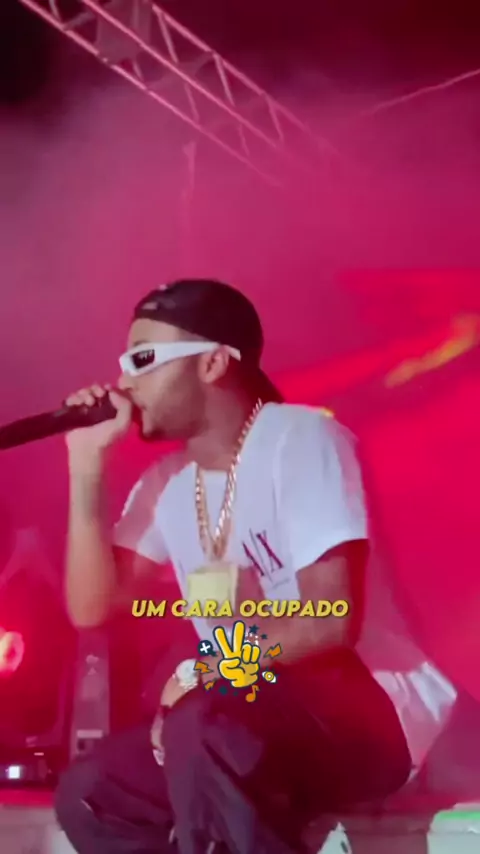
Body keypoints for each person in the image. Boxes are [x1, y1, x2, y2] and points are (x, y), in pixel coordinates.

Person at [55, 279, 412, 854]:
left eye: (142, 360)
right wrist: (86, 466)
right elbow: (92, 607)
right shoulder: (166, 484)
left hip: (365, 715)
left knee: (204, 724)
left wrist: (203, 671)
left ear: (214, 363)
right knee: (95, 793)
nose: (124, 382)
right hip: (234, 709)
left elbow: (329, 620)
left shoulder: (300, 438)